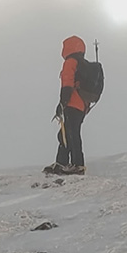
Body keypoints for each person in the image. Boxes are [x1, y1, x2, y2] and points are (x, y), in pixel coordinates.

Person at [45, 35, 90, 175]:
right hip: (83, 105)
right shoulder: (83, 63)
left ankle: (77, 165)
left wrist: (62, 103)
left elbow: (67, 83)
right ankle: (62, 163)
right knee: (65, 133)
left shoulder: (70, 62)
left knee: (71, 133)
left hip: (72, 103)